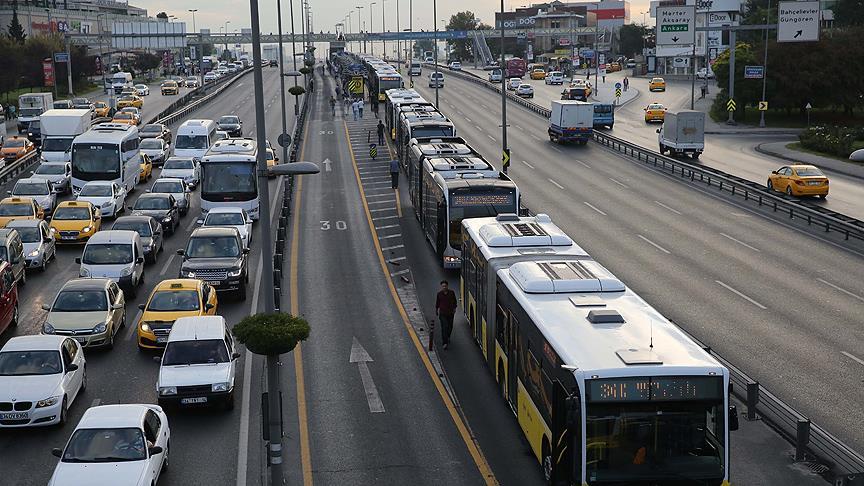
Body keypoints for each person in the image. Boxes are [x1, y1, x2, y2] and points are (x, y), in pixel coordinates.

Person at [435, 280, 458, 349]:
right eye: (443, 286)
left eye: (445, 286)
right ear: (441, 287)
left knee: (450, 326)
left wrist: (454, 308)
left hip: (450, 313)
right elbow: (437, 303)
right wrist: (436, 310)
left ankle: (448, 336)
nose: (444, 287)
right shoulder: (439, 294)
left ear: (447, 286)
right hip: (442, 314)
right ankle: (444, 342)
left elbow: (454, 301)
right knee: (444, 327)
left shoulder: (451, 293)